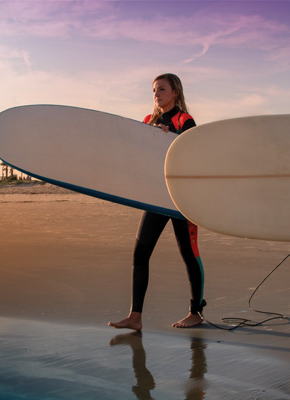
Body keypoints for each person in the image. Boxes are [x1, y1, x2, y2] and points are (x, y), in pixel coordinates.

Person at [109, 73, 207, 331]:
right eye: (153, 90)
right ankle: (135, 316)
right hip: (156, 197)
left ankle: (196, 313)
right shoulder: (147, 122)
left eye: (161, 89)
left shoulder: (184, 121)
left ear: (175, 91)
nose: (156, 94)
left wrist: (170, 137)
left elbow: (194, 157)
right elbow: (137, 160)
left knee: (189, 254)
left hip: (180, 199)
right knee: (140, 254)